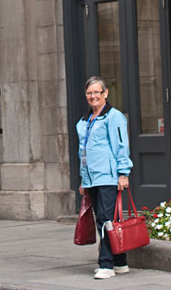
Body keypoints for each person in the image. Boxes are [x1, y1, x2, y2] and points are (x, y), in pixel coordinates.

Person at [76, 76, 133, 280]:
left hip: (108, 177)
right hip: (92, 179)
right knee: (108, 219)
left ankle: (106, 264)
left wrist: (123, 173)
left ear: (105, 93)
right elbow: (82, 153)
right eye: (89, 93)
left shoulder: (114, 117)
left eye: (97, 92)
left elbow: (121, 145)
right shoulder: (83, 122)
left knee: (106, 219)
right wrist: (83, 179)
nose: (93, 96)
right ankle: (120, 262)